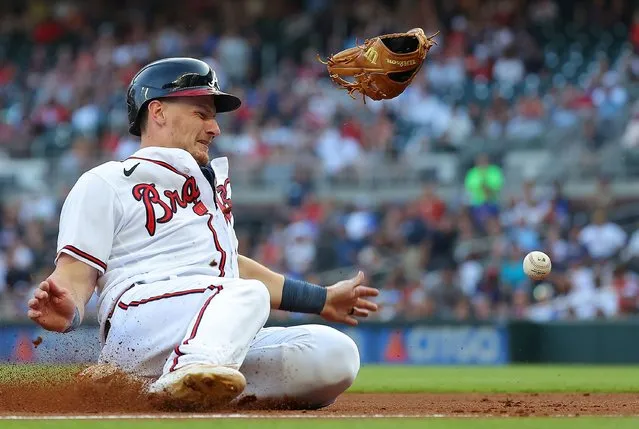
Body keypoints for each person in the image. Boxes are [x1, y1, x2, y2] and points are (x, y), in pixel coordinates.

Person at [27, 57, 379, 409]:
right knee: (247, 295)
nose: (215, 128)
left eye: (213, 116)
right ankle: (191, 369)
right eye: (201, 113)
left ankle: (149, 387)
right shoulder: (107, 181)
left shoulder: (208, 187)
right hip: (141, 322)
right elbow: (76, 274)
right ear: (158, 112)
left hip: (212, 321)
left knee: (336, 355)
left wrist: (321, 299)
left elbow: (230, 269)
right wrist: (69, 308)